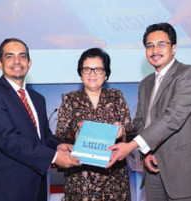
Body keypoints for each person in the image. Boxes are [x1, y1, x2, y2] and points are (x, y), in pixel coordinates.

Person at [107, 23, 191, 200]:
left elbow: (173, 118)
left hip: (185, 173)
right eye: (149, 46)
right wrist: (146, 151)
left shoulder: (190, 74)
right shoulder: (145, 83)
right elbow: (141, 121)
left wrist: (133, 146)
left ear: (173, 48)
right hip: (153, 169)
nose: (155, 49)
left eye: (161, 44)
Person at [0, 38, 80, 201]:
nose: (17, 61)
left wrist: (58, 146)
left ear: (29, 63)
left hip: (36, 188)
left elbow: (42, 136)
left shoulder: (38, 99)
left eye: (22, 56)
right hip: (3, 189)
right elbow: (7, 139)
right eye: (9, 56)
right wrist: (54, 157)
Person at [55, 48, 133, 200]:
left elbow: (130, 130)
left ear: (106, 74)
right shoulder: (70, 99)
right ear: (80, 73)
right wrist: (76, 133)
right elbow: (60, 135)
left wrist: (122, 130)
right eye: (87, 70)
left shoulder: (116, 96)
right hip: (81, 178)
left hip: (114, 176)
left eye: (97, 69)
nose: (92, 74)